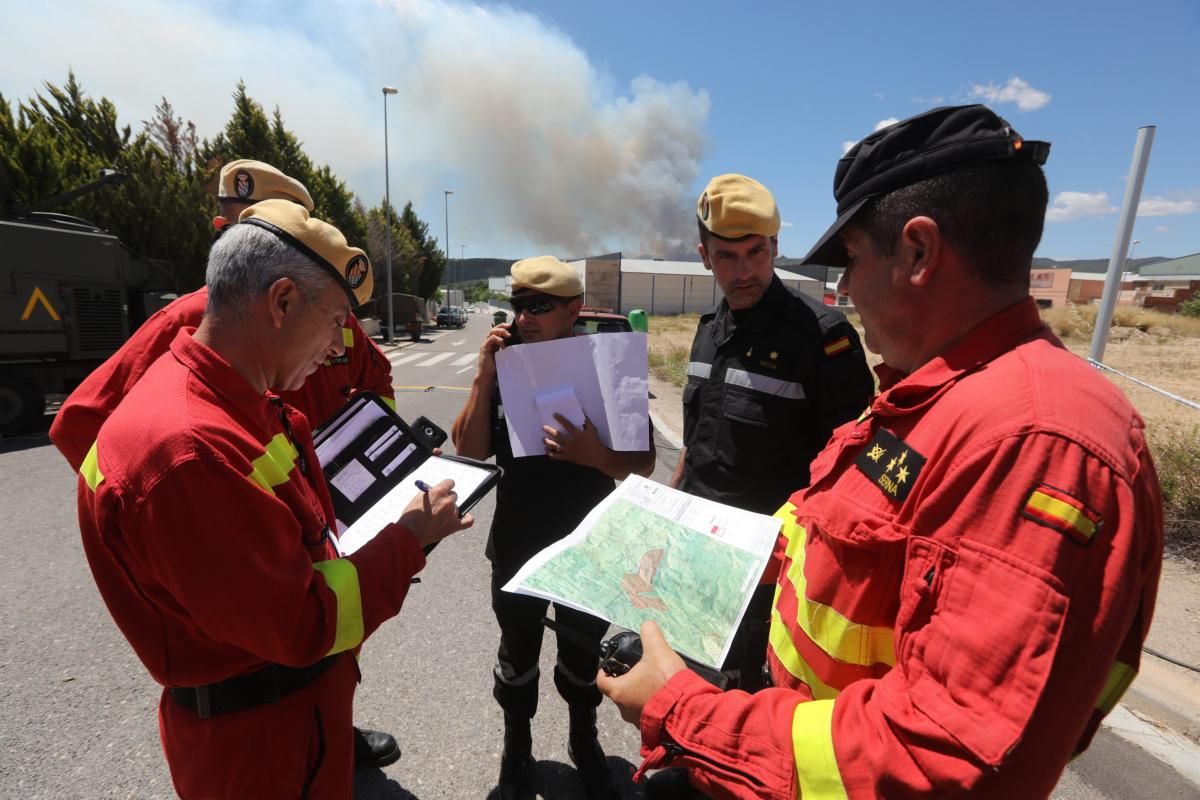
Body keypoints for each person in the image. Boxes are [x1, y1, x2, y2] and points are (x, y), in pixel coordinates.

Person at [599, 105, 1163, 799]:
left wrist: (683, 713)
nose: (843, 290)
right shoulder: (929, 400)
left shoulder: (1037, 442)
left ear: (918, 253)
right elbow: (825, 537)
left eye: (851, 259)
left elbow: (940, 758)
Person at [75, 199, 473, 798]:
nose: (343, 344)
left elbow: (292, 533)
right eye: (337, 318)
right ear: (281, 301)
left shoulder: (224, 400)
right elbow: (304, 620)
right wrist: (409, 537)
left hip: (279, 723)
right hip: (263, 746)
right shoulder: (191, 452)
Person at [49, 159, 400, 768]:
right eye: (237, 224)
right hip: (257, 683)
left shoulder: (246, 362)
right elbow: (97, 435)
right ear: (280, 295)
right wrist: (177, 545)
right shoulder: (188, 432)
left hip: (300, 580)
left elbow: (376, 391)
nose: (335, 342)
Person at [451, 255, 657, 800]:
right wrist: (482, 376)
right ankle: (515, 744)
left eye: (540, 306)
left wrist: (595, 454)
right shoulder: (505, 366)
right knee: (516, 651)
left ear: (573, 310)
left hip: (586, 541)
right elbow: (468, 451)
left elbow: (643, 463)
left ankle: (582, 740)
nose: (525, 318)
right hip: (518, 540)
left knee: (582, 654)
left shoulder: (609, 366)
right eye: (519, 306)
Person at [667, 173, 873, 699]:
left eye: (756, 253)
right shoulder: (708, 329)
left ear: (776, 248)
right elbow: (697, 443)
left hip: (769, 567)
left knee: (751, 706)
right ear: (704, 256)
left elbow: (852, 471)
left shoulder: (822, 337)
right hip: (699, 547)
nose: (744, 271)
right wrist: (670, 505)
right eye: (727, 257)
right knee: (691, 679)